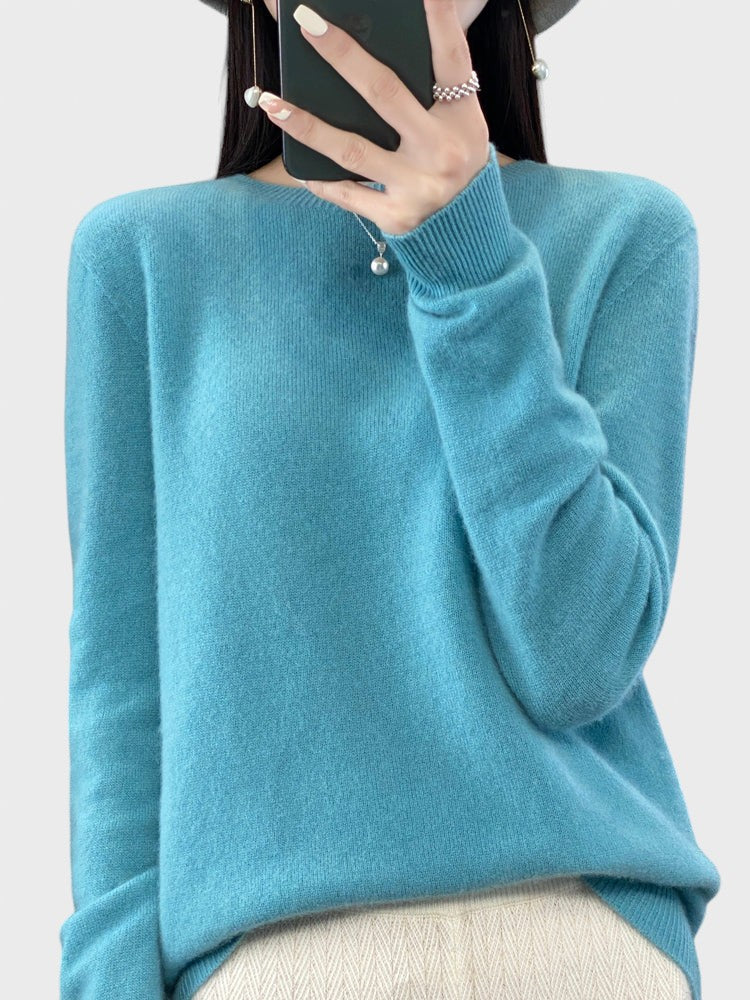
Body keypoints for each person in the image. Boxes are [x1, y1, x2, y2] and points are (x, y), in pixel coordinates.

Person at [59, 0, 721, 998]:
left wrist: (469, 256)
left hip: (583, 940)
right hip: (275, 959)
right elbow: (119, 678)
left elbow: (580, 659)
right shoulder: (143, 255)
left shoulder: (625, 233)